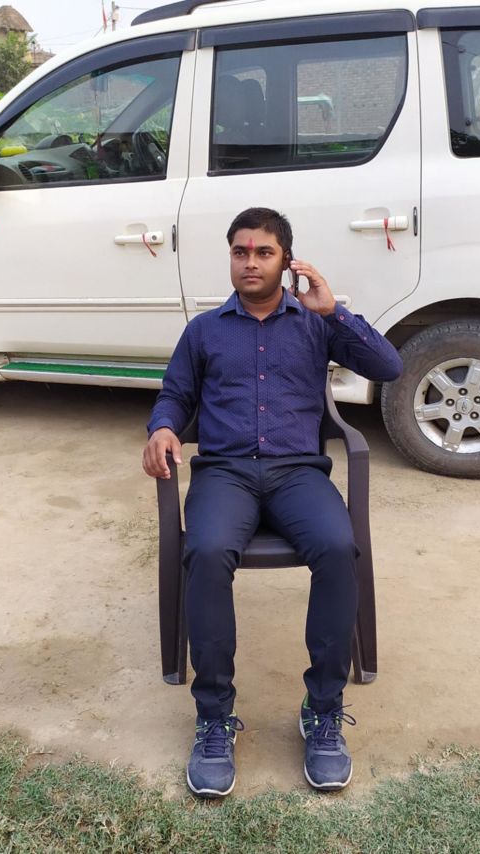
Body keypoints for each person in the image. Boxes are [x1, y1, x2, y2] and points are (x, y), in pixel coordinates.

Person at [143, 207, 402, 798]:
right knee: (208, 551)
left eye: (264, 253)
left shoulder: (315, 323)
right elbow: (175, 395)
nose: (250, 263)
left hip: (297, 473)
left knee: (337, 546)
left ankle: (322, 709)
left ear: (287, 261)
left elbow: (389, 366)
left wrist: (334, 312)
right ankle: (213, 717)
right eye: (241, 252)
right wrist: (162, 428)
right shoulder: (204, 331)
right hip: (226, 474)